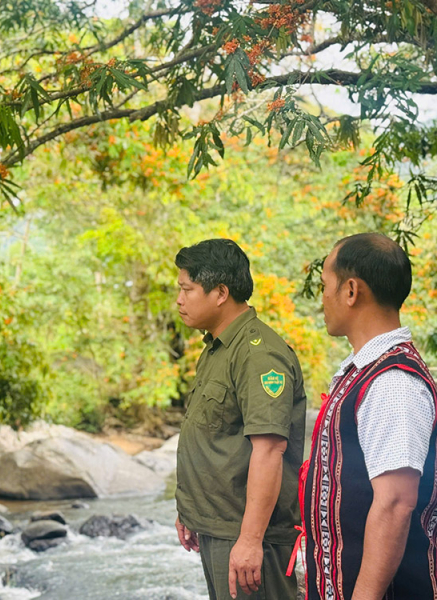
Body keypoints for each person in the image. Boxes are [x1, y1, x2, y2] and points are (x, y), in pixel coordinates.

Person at [303, 233, 437, 599]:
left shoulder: (392, 382)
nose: (322, 298)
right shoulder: (367, 371)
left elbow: (395, 503)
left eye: (326, 286)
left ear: (351, 291)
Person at [174, 239, 306, 600]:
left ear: (220, 292)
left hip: (249, 535)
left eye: (187, 289)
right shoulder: (217, 348)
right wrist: (190, 511)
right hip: (219, 527)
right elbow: (214, 439)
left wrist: (250, 541)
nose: (179, 300)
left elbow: (269, 451)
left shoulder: (259, 355)